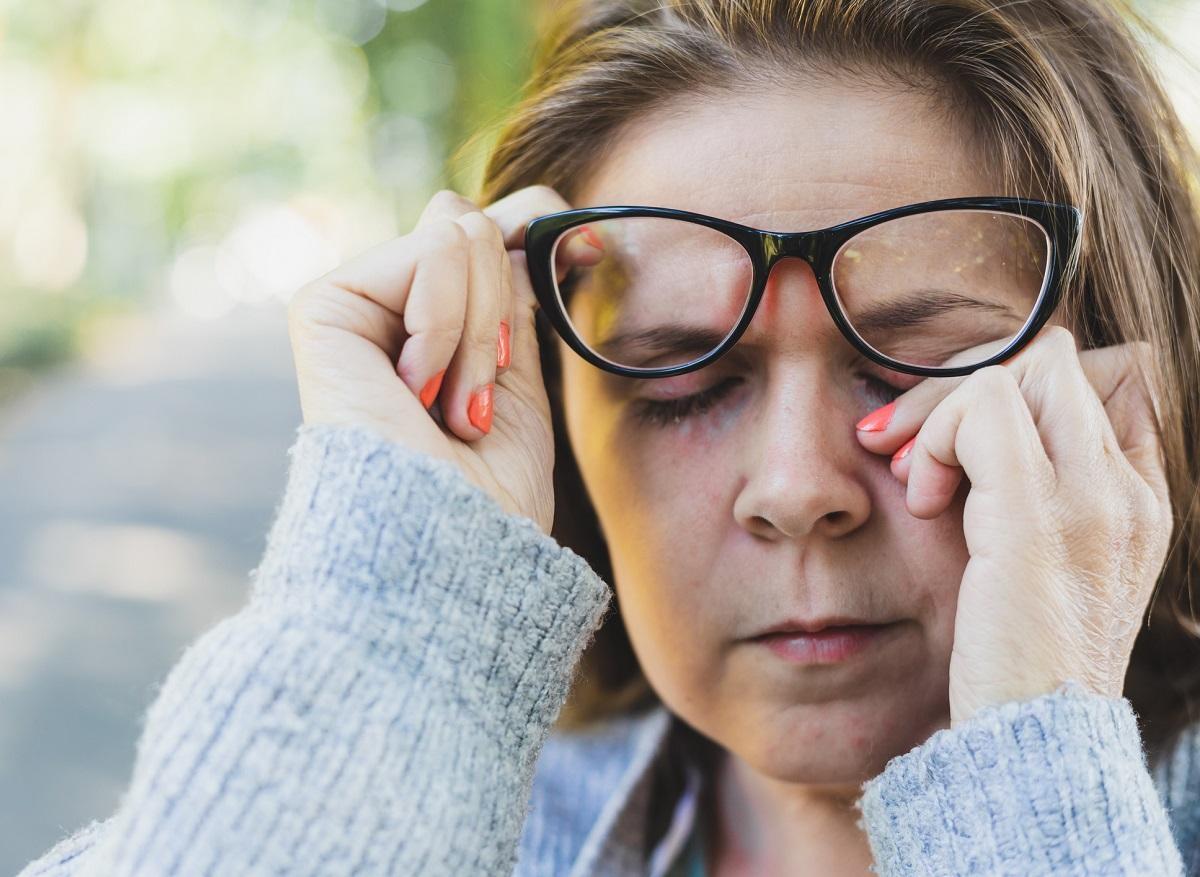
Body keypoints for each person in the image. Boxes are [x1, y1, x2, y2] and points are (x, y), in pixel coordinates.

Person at [19, 0, 1200, 874]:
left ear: (1128, 388)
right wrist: (394, 614)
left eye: (922, 361)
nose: (797, 486)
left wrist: (1038, 770)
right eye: (680, 379)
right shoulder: (443, 812)